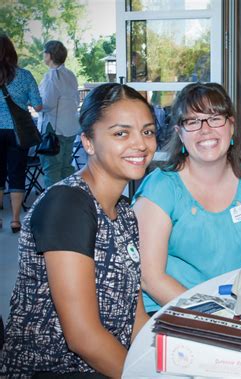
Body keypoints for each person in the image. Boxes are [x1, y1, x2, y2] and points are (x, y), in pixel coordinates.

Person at [0, 83, 155, 377]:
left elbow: (134, 317)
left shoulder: (123, 210)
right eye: (121, 133)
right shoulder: (68, 205)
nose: (141, 144)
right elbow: (83, 338)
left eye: (147, 131)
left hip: (107, 361)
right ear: (88, 142)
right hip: (56, 370)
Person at [133, 82, 241, 314]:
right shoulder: (161, 189)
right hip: (170, 310)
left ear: (231, 126)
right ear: (180, 133)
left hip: (236, 310)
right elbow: (150, 278)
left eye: (215, 118)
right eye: (192, 121)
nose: (205, 130)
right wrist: (210, 315)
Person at [0, 34, 42, 234]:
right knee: (17, 175)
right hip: (18, 133)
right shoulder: (24, 75)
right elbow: (38, 105)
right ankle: (16, 220)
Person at [38, 40, 81, 188]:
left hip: (54, 129)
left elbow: (47, 103)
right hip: (71, 127)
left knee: (52, 169)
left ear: (49, 55)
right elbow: (75, 99)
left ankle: (52, 206)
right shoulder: (70, 75)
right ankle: (66, 201)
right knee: (66, 167)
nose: (43, 55)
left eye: (44, 53)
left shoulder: (51, 77)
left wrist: (33, 103)